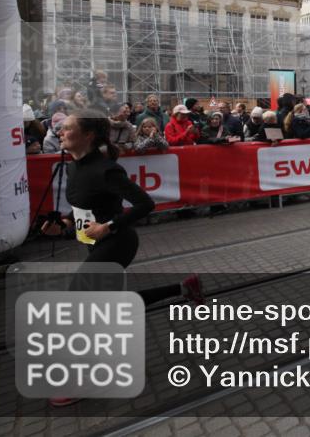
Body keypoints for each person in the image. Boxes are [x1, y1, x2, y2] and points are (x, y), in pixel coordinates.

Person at [39, 112, 202, 408]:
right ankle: (184, 288)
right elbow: (83, 210)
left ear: (88, 135)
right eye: (59, 129)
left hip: (117, 242)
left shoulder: (106, 169)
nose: (60, 132)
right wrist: (63, 224)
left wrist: (108, 226)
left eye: (67, 128)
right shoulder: (74, 169)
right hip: (94, 244)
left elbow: (145, 203)